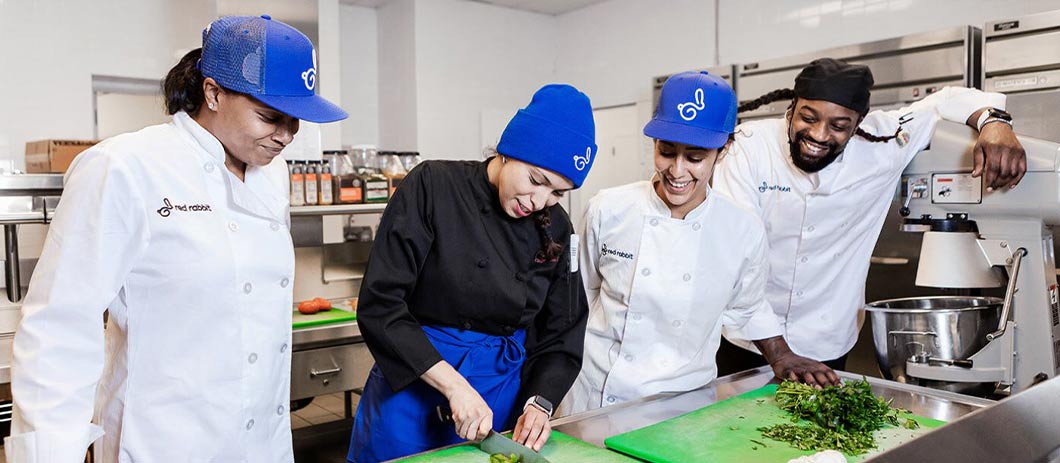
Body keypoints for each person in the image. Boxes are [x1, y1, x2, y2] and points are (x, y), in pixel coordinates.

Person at [4, 15, 346, 462]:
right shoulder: (125, 166)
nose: (285, 135)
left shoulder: (272, 174)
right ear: (213, 92)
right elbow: (60, 326)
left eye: (296, 121)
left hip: (261, 441)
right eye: (269, 116)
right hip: (161, 439)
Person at [712, 58, 1026, 374]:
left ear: (859, 123)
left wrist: (995, 122)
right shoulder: (749, 147)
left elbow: (945, 101)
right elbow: (738, 257)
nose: (819, 135)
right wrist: (778, 353)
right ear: (792, 108)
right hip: (746, 341)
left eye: (838, 126)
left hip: (828, 342)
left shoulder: (885, 142)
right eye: (808, 118)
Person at [558, 71, 838, 417]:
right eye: (666, 152)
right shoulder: (609, 207)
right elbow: (576, 298)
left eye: (695, 157)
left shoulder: (742, 230)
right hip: (594, 395)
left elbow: (747, 307)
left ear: (723, 151)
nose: (676, 171)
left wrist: (780, 354)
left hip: (681, 403)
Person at [347, 84, 596, 463]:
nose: (539, 202)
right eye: (535, 181)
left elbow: (562, 331)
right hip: (415, 383)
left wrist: (539, 403)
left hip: (497, 396)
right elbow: (381, 305)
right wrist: (453, 386)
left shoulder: (557, 228)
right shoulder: (432, 186)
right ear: (509, 151)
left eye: (557, 193)